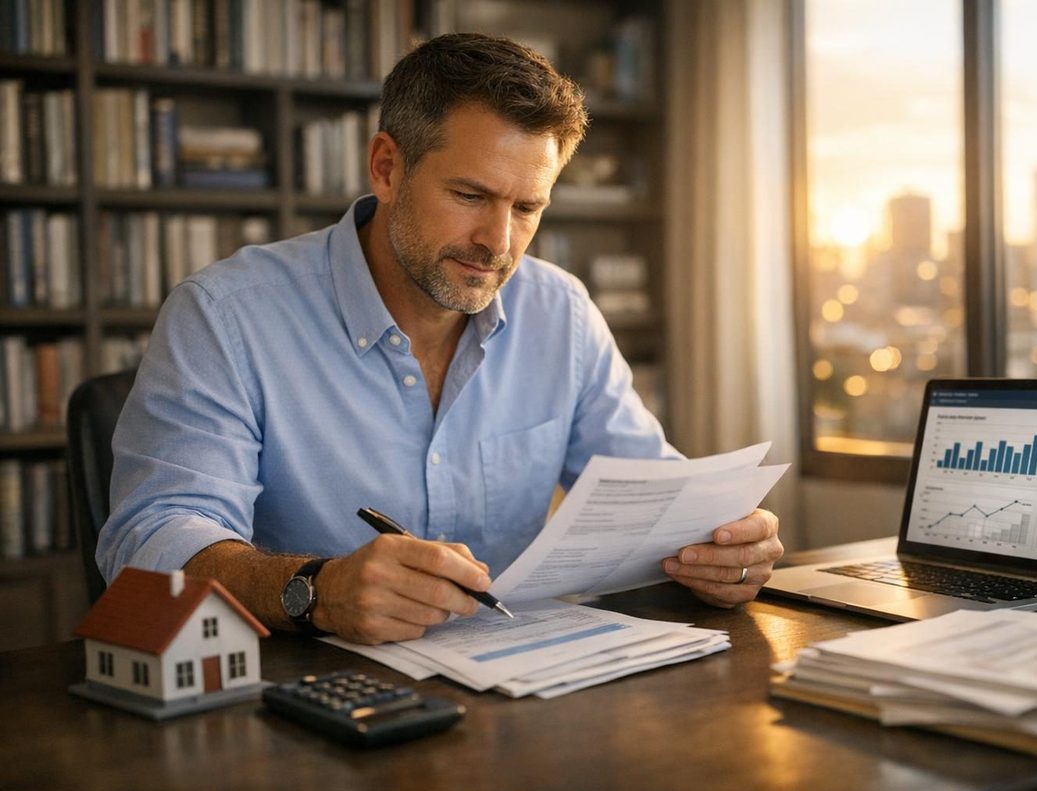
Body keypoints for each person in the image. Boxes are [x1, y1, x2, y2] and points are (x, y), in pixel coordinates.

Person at [98, 33, 783, 644]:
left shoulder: (561, 312)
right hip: (307, 699)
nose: (499, 242)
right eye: (470, 196)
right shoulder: (225, 316)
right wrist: (319, 591)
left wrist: (720, 548)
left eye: (527, 207)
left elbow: (655, 501)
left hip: (519, 684)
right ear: (386, 167)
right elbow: (151, 541)